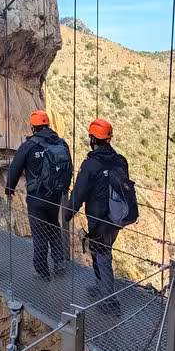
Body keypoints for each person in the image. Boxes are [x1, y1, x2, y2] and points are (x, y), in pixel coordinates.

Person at [65, 119, 129, 314]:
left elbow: (78, 193)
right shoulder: (120, 160)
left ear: (93, 138)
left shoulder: (91, 165)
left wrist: (67, 214)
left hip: (100, 219)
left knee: (102, 255)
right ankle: (100, 287)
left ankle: (111, 303)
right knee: (99, 250)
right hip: (117, 216)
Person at [6, 110, 73, 281]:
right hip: (55, 195)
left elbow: (15, 168)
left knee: (39, 232)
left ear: (33, 127)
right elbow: (69, 167)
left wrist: (9, 187)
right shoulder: (61, 143)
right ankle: (59, 262)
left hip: (37, 197)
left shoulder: (29, 145)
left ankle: (42, 271)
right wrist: (63, 188)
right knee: (53, 226)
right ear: (48, 125)